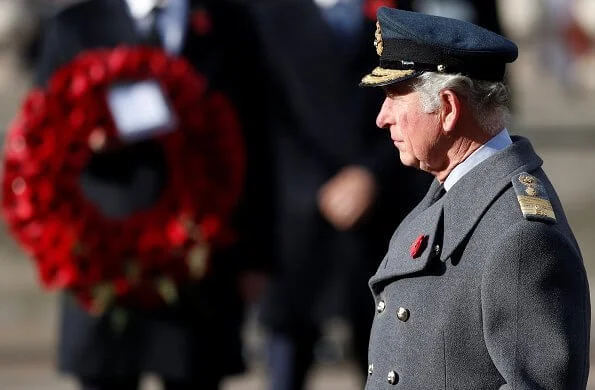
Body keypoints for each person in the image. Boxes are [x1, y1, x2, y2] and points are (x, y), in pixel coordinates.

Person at [32, 0, 272, 389]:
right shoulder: (76, 25)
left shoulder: (230, 23)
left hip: (199, 256)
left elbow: (258, 140)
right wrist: (82, 139)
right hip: (104, 258)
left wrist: (258, 254)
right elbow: (39, 139)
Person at [360, 7, 590, 389]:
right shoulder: (448, 193)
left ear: (448, 109)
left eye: (395, 95)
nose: (383, 117)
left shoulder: (521, 237)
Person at [245, 1, 431, 389]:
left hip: (377, 218)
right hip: (295, 221)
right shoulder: (267, 16)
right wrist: (317, 184)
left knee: (384, 358)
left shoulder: (390, 19)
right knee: (286, 358)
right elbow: (262, 117)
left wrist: (370, 174)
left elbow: (413, 103)